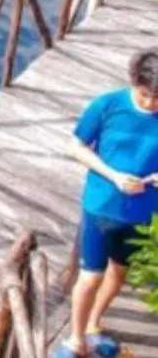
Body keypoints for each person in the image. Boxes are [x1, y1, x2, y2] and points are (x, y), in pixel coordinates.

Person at [54, 49, 158, 358]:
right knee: (91, 275)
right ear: (134, 82)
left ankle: (93, 325)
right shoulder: (107, 105)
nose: (151, 103)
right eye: (145, 95)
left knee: (119, 272)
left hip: (143, 214)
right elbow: (76, 146)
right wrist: (114, 176)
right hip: (102, 207)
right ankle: (75, 341)